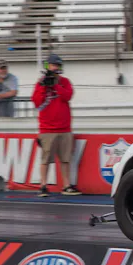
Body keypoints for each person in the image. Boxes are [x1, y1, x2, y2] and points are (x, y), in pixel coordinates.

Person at [31, 54, 82, 196]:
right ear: (48, 66)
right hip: (47, 128)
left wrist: (55, 85)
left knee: (65, 159)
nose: (55, 68)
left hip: (64, 128)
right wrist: (43, 87)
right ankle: (43, 185)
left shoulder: (65, 82)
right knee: (46, 160)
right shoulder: (40, 82)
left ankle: (66, 185)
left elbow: (67, 96)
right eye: (53, 65)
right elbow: (36, 101)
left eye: (57, 65)